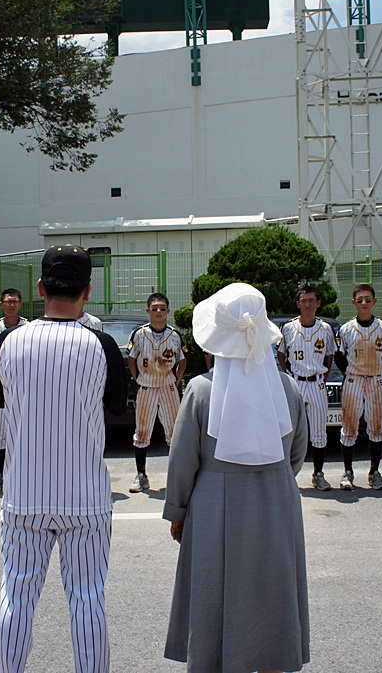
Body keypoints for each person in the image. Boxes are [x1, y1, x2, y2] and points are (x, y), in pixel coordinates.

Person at [0, 244, 127, 673]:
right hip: (84, 495)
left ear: (40, 287)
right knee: (87, 599)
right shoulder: (101, 344)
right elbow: (117, 406)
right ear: (87, 291)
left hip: (24, 493)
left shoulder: (10, 340)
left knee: (17, 597)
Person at [164, 282, 310, 673]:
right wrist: (270, 477)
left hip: (214, 501)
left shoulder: (200, 390)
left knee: (215, 594)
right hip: (278, 500)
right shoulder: (287, 387)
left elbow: (182, 462)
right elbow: (297, 453)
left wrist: (178, 511)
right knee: (273, 593)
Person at [334, 283, 382, 490]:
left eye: (368, 299)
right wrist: (351, 373)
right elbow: (340, 356)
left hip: (375, 379)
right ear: (354, 303)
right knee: (349, 427)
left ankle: (374, 472)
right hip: (354, 380)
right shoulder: (347, 328)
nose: (364, 303)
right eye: (360, 300)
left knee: (376, 428)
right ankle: (348, 472)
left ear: (374, 301)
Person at [277, 285, 336, 490]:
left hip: (317, 383)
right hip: (297, 382)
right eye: (304, 300)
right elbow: (282, 354)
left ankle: (318, 474)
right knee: (290, 431)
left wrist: (323, 376)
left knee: (319, 432)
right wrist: (289, 375)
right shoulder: (288, 327)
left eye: (311, 300)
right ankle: (287, 475)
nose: (307, 304)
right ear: (298, 304)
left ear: (318, 303)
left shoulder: (326, 328)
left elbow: (330, 356)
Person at [127, 293, 186, 493]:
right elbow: (132, 359)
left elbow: (183, 360)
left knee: (174, 432)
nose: (158, 312)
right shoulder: (140, 334)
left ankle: (177, 477)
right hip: (146, 386)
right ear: (148, 311)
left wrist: (177, 379)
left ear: (168, 311)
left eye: (162, 308)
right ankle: (141, 475)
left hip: (167, 386)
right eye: (155, 308)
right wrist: (137, 379)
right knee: (142, 431)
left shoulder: (175, 335)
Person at [0, 288, 28, 493]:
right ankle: (0, 474)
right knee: (0, 435)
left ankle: (23, 474)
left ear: (20, 305)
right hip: (1, 386)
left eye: (15, 301)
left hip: (23, 386)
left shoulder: (28, 327)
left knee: (24, 433)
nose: (11, 305)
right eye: (8, 301)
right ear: (1, 304)